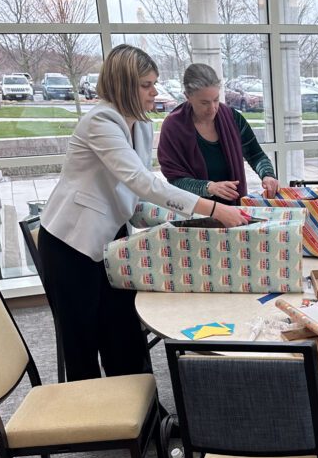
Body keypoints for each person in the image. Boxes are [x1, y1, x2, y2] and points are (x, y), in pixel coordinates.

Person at [38, 45, 248, 382]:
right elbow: (141, 181)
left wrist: (179, 220)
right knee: (83, 342)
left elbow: (135, 195)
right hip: (70, 245)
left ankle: (146, 417)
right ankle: (97, 425)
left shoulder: (141, 125)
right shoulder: (100, 121)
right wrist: (213, 208)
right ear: (124, 85)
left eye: (155, 83)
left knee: (123, 332)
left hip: (110, 238)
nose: (155, 92)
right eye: (146, 85)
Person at [157, 63, 279, 204]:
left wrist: (267, 175)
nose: (213, 108)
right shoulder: (173, 127)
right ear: (187, 97)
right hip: (194, 212)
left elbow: (256, 155)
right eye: (204, 103)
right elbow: (175, 180)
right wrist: (208, 187)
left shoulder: (232, 117)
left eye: (216, 100)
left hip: (234, 210)